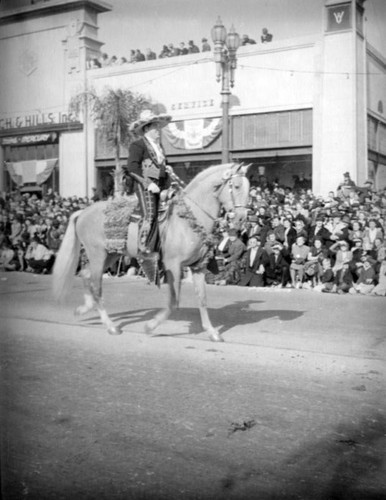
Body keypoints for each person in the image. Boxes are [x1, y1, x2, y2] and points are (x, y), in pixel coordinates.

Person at [125, 109, 173, 274]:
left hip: (160, 187)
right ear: (146, 129)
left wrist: (167, 188)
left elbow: (164, 170)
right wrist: (147, 184)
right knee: (150, 214)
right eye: (154, 128)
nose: (158, 131)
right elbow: (132, 167)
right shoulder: (138, 145)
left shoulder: (160, 148)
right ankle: (144, 248)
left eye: (158, 128)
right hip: (144, 185)